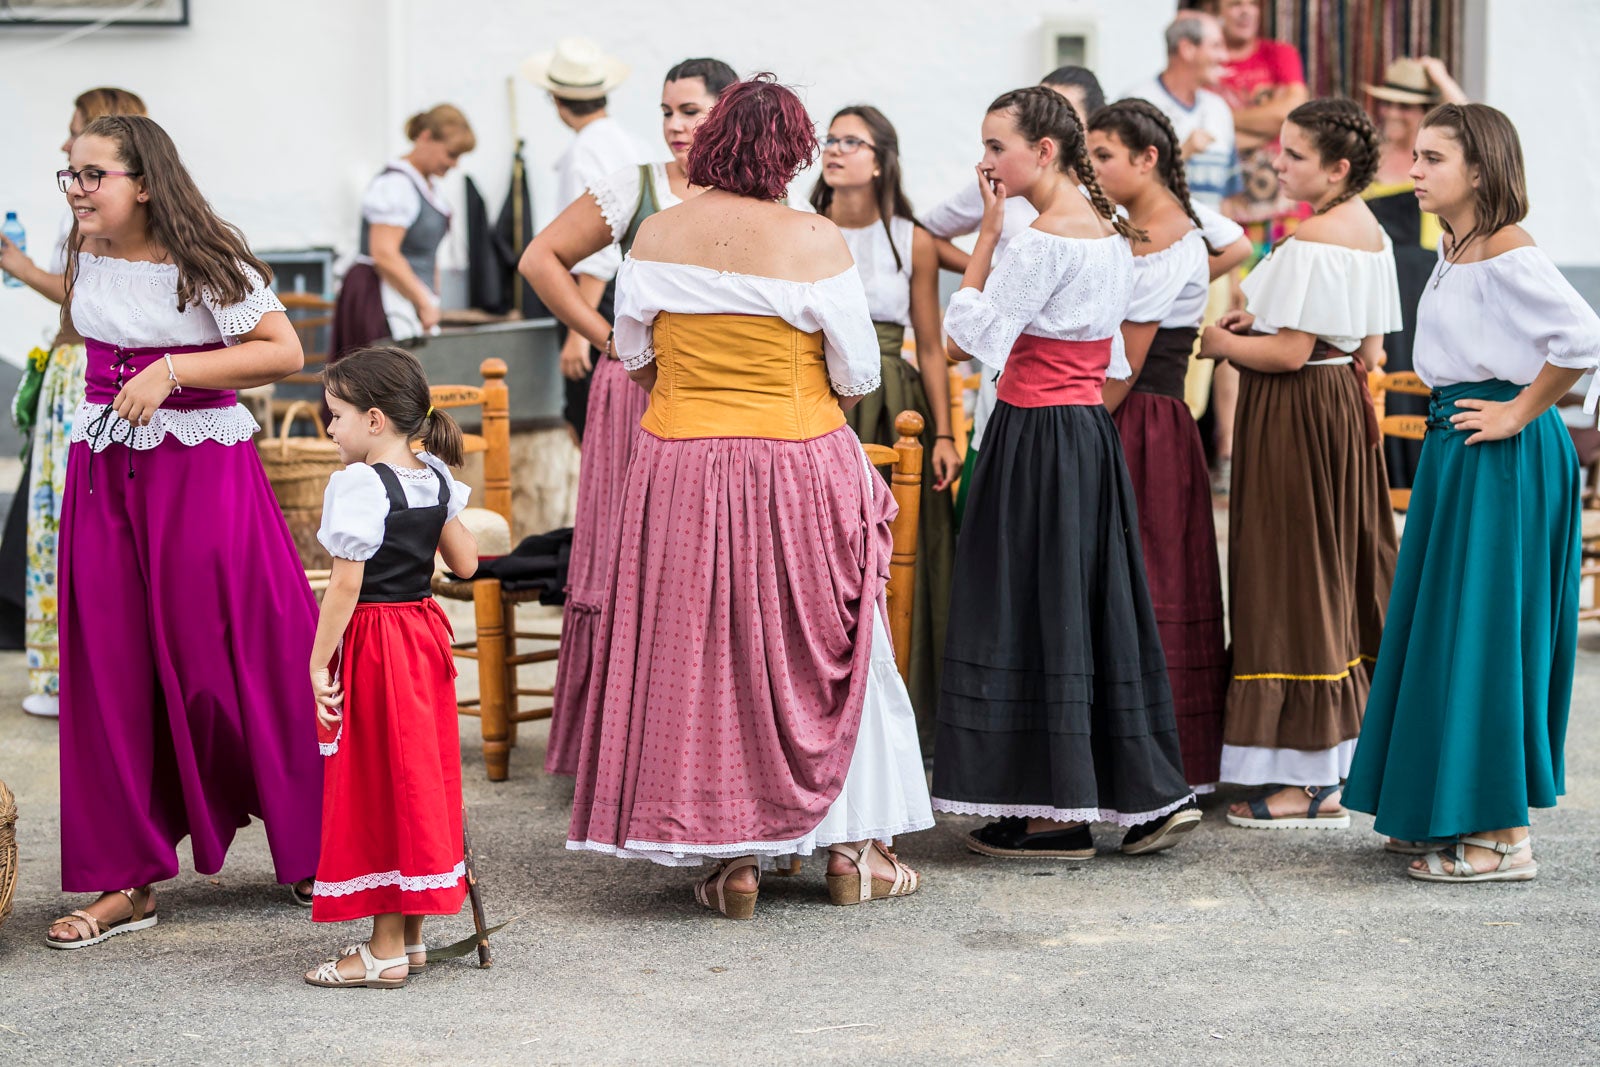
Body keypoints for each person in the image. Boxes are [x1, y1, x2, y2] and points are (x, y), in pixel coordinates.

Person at [566, 76, 931, 917]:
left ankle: (733, 860)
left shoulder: (657, 232)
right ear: (792, 153)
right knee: (828, 648)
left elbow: (634, 353)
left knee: (708, 655)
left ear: (716, 139)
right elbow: (858, 375)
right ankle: (850, 849)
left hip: (681, 464)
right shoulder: (815, 239)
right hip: (797, 458)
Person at [45, 116, 322, 948]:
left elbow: (283, 351)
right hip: (104, 471)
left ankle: (313, 837)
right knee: (111, 664)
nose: (78, 190)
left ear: (146, 183)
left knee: (227, 659)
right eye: (72, 174)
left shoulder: (207, 260)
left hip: (200, 474)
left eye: (94, 175)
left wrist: (176, 369)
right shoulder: (83, 248)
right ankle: (123, 879)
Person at [931, 86, 1198, 860]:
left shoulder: (1043, 237)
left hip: (1036, 435)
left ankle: (1055, 811)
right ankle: (1116, 791)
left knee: (1031, 603)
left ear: (1042, 151)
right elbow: (1108, 354)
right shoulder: (1111, 230)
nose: (984, 162)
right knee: (1087, 603)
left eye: (994, 146)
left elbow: (966, 334)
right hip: (1083, 431)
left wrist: (984, 237)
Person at [1343, 104, 1600, 883]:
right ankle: (1439, 808)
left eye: (1432, 159)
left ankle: (1499, 837)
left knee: (1490, 634)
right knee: (1444, 627)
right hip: (1465, 451)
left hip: (1505, 453)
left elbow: (1584, 339)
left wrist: (1523, 409)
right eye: (1414, 156)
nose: (1413, 170)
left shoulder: (1506, 249)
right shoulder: (1457, 246)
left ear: (1480, 170)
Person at [520, 57, 738, 777]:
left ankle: (698, 735)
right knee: (626, 550)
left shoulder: (755, 191)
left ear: (728, 111)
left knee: (703, 561)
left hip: (719, 397)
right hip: (637, 392)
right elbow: (540, 257)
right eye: (668, 111)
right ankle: (613, 744)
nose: (676, 125)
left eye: (692, 111)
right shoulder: (635, 184)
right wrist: (603, 333)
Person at [1198, 98, 1401, 830]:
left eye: (1293, 155)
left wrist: (1222, 345)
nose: (1277, 164)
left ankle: (1303, 777)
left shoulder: (1313, 234)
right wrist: (1272, 323)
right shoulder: (1369, 229)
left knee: (1293, 574)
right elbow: (1365, 345)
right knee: (1336, 571)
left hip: (1298, 412)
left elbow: (1287, 354)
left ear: (1337, 167)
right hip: (1341, 410)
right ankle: (1340, 759)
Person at [302, 346, 478, 987]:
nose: (331, 428)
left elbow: (344, 587)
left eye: (337, 415)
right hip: (422, 637)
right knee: (419, 775)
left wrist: (318, 661)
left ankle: (383, 953)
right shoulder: (432, 477)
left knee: (377, 779)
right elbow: (466, 564)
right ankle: (413, 935)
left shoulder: (357, 485)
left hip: (376, 642)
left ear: (375, 420)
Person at [1090, 98, 1238, 793]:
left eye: (1103, 156)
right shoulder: (1150, 226)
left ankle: (1155, 759)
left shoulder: (1171, 233)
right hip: (1151, 417)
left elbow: (1126, 359)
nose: (1092, 169)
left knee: (1145, 577)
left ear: (1147, 159)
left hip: (1140, 418)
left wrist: (1078, 433)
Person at [810, 104, 959, 739]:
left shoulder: (911, 234)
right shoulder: (801, 228)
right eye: (831, 139)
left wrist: (948, 432)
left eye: (852, 140)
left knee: (904, 550)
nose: (836, 150)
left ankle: (906, 709)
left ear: (881, 159)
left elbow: (930, 343)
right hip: (819, 392)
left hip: (893, 398)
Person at [0, 86, 146, 719]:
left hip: (89, 374)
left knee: (67, 521)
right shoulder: (107, 215)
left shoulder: (101, 222)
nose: (65, 145)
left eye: (77, 132)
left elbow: (79, 298)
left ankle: (71, 674)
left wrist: (18, 265)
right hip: (89, 373)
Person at [1190, 0, 1311, 491]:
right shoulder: (1205, 58)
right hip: (1226, 215)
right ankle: (1229, 453)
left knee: (1283, 321)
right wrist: (1259, 122)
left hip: (1281, 215)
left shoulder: (1278, 54)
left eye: (1252, 4)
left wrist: (1227, 125)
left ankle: (1280, 450)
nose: (1244, 12)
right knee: (1231, 321)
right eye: (1232, 3)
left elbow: (1291, 111)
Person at [521, 37, 644, 440]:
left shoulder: (584, 152)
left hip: (595, 301)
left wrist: (579, 334)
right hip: (625, 296)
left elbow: (599, 253)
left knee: (590, 422)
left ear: (557, 100)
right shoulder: (625, 142)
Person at [1362, 57, 1469, 489]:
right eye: (1389, 103)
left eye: (1406, 107)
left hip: (1418, 283)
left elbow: (1480, 131)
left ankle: (1417, 483)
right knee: (1375, 377)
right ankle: (1378, 479)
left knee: (1415, 377)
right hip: (1372, 281)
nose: (1393, 113)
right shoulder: (1368, 157)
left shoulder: (1432, 160)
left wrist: (1441, 77)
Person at [330, 105, 476, 361]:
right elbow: (384, 253)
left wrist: (429, 299)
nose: (454, 164)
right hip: (379, 298)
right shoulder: (395, 185)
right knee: (378, 385)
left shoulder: (426, 184)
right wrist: (423, 302)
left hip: (405, 297)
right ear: (426, 137)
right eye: (451, 154)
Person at [1120, 12, 1241, 211]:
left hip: (1209, 241)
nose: (1224, 56)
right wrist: (1184, 152)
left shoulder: (1219, 109)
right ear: (1187, 49)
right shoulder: (1137, 105)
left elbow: (1226, 198)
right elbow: (1120, 183)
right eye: (1216, 46)